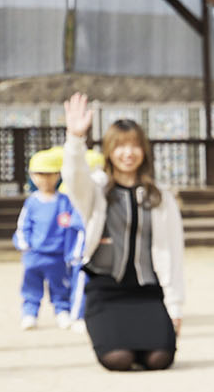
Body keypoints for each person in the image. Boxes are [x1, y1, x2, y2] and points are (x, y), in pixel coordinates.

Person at [63, 94, 186, 371]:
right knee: (119, 359)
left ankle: (150, 338)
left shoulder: (160, 196)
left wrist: (175, 307)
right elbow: (73, 177)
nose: (127, 153)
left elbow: (173, 253)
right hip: (106, 292)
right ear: (109, 150)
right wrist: (75, 138)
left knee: (159, 359)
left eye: (134, 146)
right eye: (120, 146)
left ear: (144, 150)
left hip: (148, 292)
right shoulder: (96, 188)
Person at [14, 147, 80, 330]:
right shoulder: (32, 202)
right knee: (31, 287)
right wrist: (24, 245)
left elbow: (73, 228)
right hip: (34, 255)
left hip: (58, 256)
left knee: (60, 286)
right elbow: (23, 226)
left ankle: (62, 311)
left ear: (58, 175)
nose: (45, 179)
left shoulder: (66, 201)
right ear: (33, 176)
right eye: (40, 174)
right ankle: (29, 313)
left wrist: (71, 252)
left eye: (50, 174)